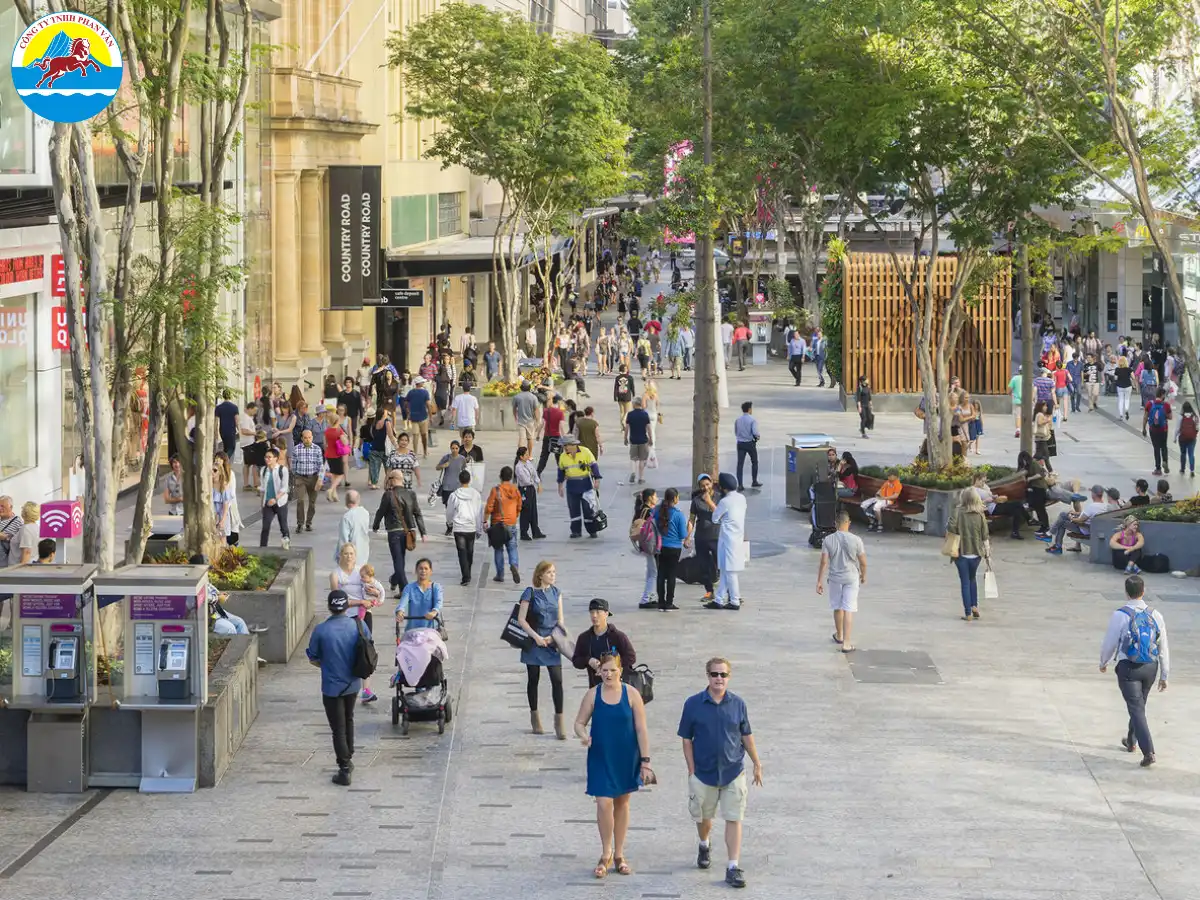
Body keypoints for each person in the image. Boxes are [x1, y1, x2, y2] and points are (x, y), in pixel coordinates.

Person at [677, 657, 763, 889]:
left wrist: (756, 762)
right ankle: (704, 843)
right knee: (704, 819)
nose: (718, 679)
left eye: (723, 675)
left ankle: (733, 866)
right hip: (703, 773)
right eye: (714, 674)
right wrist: (691, 769)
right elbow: (686, 738)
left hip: (733, 771)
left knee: (734, 817)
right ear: (708, 676)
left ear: (729, 677)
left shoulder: (738, 704)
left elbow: (746, 734)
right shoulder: (693, 704)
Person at [573, 652, 652, 880]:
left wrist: (645, 761)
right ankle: (606, 852)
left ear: (621, 672)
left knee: (622, 803)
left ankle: (619, 854)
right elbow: (579, 723)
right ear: (599, 672)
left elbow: (641, 729)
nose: (608, 674)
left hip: (626, 756)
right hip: (600, 756)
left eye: (613, 670)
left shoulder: (632, 694)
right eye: (604, 670)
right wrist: (583, 735)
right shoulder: (592, 695)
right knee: (604, 802)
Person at [1099, 575, 1169, 768]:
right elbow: (1163, 646)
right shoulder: (1156, 615)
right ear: (1143, 591)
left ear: (1126, 592)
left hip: (1128, 668)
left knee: (1136, 708)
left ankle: (1149, 752)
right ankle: (1132, 741)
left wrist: (1103, 661)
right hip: (1150, 668)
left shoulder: (1120, 615)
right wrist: (1165, 674)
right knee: (1139, 706)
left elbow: (1110, 642)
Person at [306, 589, 368, 785]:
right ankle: (349, 754)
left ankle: (344, 766)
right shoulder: (358, 625)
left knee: (337, 728)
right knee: (349, 718)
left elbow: (313, 657)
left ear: (329, 606)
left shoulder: (321, 630)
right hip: (353, 683)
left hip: (332, 686)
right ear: (346, 605)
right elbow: (369, 645)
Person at [517, 560, 568, 739]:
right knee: (533, 679)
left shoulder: (557, 593)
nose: (553, 575)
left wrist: (553, 636)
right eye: (549, 572)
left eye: (554, 572)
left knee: (557, 680)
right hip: (534, 642)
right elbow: (521, 619)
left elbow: (560, 620)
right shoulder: (530, 593)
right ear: (540, 575)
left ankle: (559, 721)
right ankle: (535, 716)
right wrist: (536, 637)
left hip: (552, 641)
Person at [816, 510, 867, 651]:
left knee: (838, 607)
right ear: (848, 523)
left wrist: (819, 581)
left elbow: (824, 562)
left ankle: (839, 635)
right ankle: (847, 643)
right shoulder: (857, 540)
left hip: (835, 578)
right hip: (851, 577)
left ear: (835, 523)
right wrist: (863, 575)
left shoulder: (828, 540)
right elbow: (863, 562)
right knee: (848, 609)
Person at [571, 599, 637, 688]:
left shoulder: (618, 636)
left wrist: (611, 665)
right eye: (592, 612)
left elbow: (631, 657)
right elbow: (576, 661)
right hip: (595, 686)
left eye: (598, 612)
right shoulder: (584, 638)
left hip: (619, 686)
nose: (594, 616)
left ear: (606, 614)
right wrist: (588, 660)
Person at [373, 469, 421, 593]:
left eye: (389, 479)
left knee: (398, 560)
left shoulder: (388, 495)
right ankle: (395, 581)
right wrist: (423, 531)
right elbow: (417, 513)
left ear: (393, 479)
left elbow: (381, 511)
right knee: (400, 560)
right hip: (407, 531)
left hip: (394, 531)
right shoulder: (410, 494)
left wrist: (375, 525)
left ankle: (404, 588)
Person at [946, 488, 990, 621]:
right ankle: (974, 605)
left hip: (961, 551)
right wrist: (987, 552)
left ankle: (968, 613)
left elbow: (951, 528)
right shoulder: (980, 514)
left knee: (964, 582)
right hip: (976, 553)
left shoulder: (958, 512)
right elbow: (985, 535)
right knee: (972, 579)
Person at [707, 473, 747, 610]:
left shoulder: (725, 502)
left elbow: (714, 518)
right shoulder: (742, 498)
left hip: (727, 540)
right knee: (725, 570)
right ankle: (719, 599)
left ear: (723, 488)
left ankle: (735, 600)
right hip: (738, 538)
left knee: (730, 572)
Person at [1043, 483, 1109, 554]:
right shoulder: (1105, 506)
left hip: (1085, 529)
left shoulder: (1091, 507)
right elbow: (1086, 515)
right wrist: (1075, 513)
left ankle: (1056, 544)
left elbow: (1080, 521)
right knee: (1063, 514)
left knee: (1061, 522)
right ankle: (1050, 534)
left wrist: (1071, 518)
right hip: (1093, 528)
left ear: (1093, 494)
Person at [558, 436, 602, 538]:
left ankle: (592, 530)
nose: (565, 448)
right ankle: (576, 531)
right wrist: (560, 486)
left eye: (566, 445)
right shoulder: (563, 456)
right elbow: (561, 471)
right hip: (572, 486)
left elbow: (594, 466)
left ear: (573, 445)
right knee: (573, 510)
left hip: (585, 485)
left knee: (588, 509)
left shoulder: (585, 452)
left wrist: (597, 480)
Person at [485, 465, 523, 584]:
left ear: (500, 476)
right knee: (512, 547)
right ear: (511, 477)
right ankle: (514, 565)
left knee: (498, 549)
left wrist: (484, 520)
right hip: (511, 523)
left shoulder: (496, 490)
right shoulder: (515, 490)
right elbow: (519, 506)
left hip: (498, 523)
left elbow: (489, 507)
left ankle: (500, 574)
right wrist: (514, 516)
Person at [446, 468, 484, 586]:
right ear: (470, 480)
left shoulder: (454, 495)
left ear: (459, 480)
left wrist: (449, 523)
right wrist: (479, 528)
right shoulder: (476, 494)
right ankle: (468, 572)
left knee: (462, 552)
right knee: (470, 551)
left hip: (459, 527)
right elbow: (479, 512)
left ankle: (465, 576)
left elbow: (449, 511)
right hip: (471, 526)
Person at [654, 488, 688, 611]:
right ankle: (669, 603)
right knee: (671, 575)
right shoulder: (678, 515)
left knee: (661, 574)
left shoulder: (657, 511)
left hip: (659, 547)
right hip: (674, 548)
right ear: (675, 499)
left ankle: (660, 602)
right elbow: (683, 535)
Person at [688, 475, 720, 603]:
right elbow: (691, 519)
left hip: (717, 536)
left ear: (711, 483)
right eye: (702, 485)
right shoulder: (696, 501)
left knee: (722, 565)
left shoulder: (719, 497)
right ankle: (709, 591)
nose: (705, 487)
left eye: (707, 484)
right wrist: (687, 536)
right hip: (701, 536)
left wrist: (709, 502)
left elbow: (720, 513)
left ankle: (729, 592)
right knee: (704, 566)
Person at [972, 472, 1025, 540]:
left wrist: (993, 496)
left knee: (1017, 509)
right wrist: (986, 501)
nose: (983, 483)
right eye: (982, 481)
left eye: (985, 481)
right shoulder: (973, 490)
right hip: (991, 509)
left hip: (996, 504)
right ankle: (1026, 522)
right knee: (1017, 505)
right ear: (976, 480)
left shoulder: (984, 486)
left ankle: (1015, 532)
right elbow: (973, 504)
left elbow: (989, 494)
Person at [395, 558, 444, 632]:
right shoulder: (409, 588)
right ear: (416, 571)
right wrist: (400, 612)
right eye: (420, 568)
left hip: (431, 631)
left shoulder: (436, 587)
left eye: (426, 569)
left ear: (430, 571)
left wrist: (434, 612)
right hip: (412, 630)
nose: (423, 571)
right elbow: (402, 603)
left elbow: (439, 602)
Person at [289, 429, 324, 532]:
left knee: (312, 502)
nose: (307, 440)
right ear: (302, 438)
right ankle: (300, 523)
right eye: (305, 438)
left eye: (309, 437)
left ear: (312, 437)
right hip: (300, 477)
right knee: (300, 500)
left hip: (313, 477)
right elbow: (293, 464)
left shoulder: (317, 449)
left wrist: (320, 479)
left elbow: (320, 465)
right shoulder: (296, 449)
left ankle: (308, 523)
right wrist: (295, 476)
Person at [515, 445, 546, 541]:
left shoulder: (528, 463)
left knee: (533, 510)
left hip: (531, 489)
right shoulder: (519, 467)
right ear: (521, 456)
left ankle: (535, 531)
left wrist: (539, 483)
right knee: (525, 511)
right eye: (526, 454)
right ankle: (524, 533)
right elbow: (526, 480)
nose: (528, 455)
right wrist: (533, 482)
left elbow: (534, 473)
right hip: (524, 489)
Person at [1142, 388, 1173, 475]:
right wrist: (1164, 415)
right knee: (1164, 446)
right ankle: (1165, 461)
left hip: (1153, 429)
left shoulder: (1149, 404)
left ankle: (1158, 469)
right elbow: (1170, 417)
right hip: (1163, 429)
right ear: (1162, 395)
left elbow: (1145, 417)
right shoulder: (1166, 405)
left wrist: (1144, 428)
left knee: (1156, 448)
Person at [733, 401, 761, 491]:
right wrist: (757, 437)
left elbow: (736, 432)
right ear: (749, 409)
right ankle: (754, 481)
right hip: (750, 443)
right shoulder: (752, 420)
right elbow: (755, 432)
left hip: (740, 443)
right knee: (754, 462)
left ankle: (740, 484)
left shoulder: (738, 420)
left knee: (740, 464)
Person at [624, 397, 652, 485]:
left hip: (633, 439)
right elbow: (648, 428)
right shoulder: (645, 414)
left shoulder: (630, 414)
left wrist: (625, 438)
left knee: (633, 458)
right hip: (643, 439)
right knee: (642, 459)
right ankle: (641, 477)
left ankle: (633, 472)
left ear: (634, 404)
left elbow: (627, 428)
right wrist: (651, 438)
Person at [538, 393, 567, 476]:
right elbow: (561, 427)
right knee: (559, 456)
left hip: (547, 436)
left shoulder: (546, 411)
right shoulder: (560, 413)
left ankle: (538, 472)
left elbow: (542, 424)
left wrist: (538, 434)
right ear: (558, 402)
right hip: (556, 437)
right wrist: (564, 437)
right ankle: (562, 473)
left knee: (544, 456)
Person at [406, 376, 434, 456]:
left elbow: (406, 404)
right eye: (422, 382)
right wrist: (431, 416)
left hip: (414, 417)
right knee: (424, 435)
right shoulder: (425, 392)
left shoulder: (411, 392)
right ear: (420, 383)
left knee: (415, 435)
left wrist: (408, 413)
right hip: (423, 417)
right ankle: (425, 451)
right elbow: (428, 405)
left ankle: (415, 452)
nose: (423, 383)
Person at [512, 381, 542, 458]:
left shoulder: (517, 397)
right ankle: (530, 455)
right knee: (530, 439)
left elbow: (514, 409)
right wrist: (538, 420)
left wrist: (515, 418)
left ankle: (520, 456)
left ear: (521, 387)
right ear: (529, 387)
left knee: (521, 439)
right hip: (531, 421)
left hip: (521, 421)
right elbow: (536, 410)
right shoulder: (533, 397)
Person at [1176, 400, 1198, 477]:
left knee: (1183, 453)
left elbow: (1177, 428)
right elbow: (1197, 427)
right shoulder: (1194, 416)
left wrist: (1175, 438)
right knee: (1191, 454)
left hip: (1182, 438)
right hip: (1192, 438)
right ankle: (1192, 470)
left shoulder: (1181, 416)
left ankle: (1182, 469)